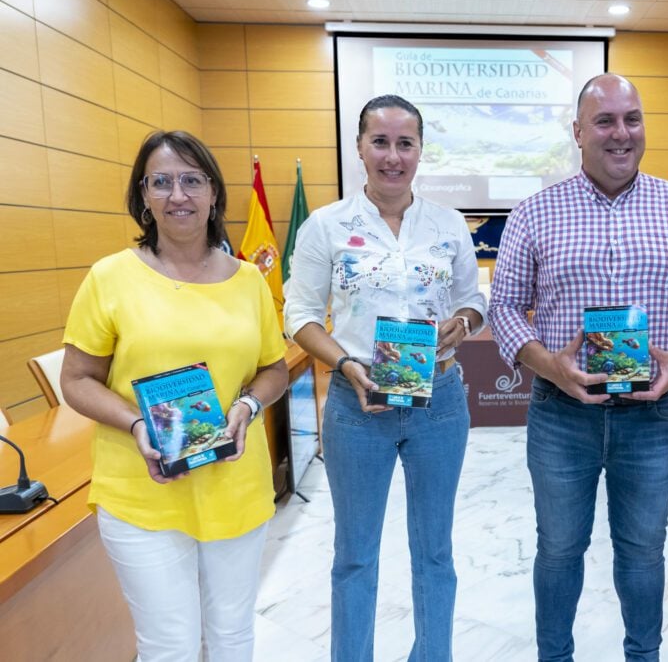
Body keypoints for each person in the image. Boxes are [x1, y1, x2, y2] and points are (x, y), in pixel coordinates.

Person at [489, 73, 668, 662]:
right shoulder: (535, 212)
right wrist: (550, 365)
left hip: (650, 416)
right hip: (561, 416)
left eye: (632, 119)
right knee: (558, 551)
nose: (622, 133)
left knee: (643, 554)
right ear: (578, 132)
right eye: (605, 121)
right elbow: (505, 306)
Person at [60, 130, 289, 661]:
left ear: (213, 192)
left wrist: (248, 405)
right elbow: (76, 379)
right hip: (142, 490)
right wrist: (137, 423)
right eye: (160, 182)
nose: (177, 195)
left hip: (235, 484)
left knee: (233, 637)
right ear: (143, 195)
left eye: (191, 180)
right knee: (170, 646)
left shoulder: (249, 280)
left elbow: (274, 369)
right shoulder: (110, 277)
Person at [283, 94, 486, 662]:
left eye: (405, 143)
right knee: (355, 555)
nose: (393, 156)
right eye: (380, 142)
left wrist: (462, 323)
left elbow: (473, 300)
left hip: (438, 402)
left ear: (420, 150)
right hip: (357, 404)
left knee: (435, 553)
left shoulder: (448, 224)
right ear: (359, 147)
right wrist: (344, 363)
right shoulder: (326, 226)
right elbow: (299, 314)